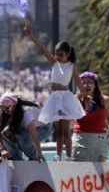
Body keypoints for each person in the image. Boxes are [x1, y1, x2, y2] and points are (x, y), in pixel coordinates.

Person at [25, 25, 85, 161]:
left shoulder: (71, 67)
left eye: (61, 54)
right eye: (56, 54)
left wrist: (85, 96)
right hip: (55, 99)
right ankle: (58, 155)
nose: (58, 57)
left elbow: (79, 84)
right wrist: (32, 37)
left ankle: (69, 156)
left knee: (66, 131)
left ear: (68, 54)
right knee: (58, 132)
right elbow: (43, 48)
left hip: (66, 98)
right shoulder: (54, 63)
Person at [72, 72, 109, 162]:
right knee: (80, 173)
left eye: (90, 82)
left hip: (100, 141)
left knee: (99, 174)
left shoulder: (105, 100)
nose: (87, 85)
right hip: (81, 140)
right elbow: (67, 118)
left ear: (95, 85)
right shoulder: (75, 100)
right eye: (83, 83)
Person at [0, 93, 52, 162]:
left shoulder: (26, 112)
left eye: (7, 108)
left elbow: (34, 134)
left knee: (21, 135)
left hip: (44, 128)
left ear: (15, 105)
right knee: (4, 133)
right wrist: (2, 150)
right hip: (26, 129)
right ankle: (16, 158)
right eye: (3, 109)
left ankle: (34, 157)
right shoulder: (5, 112)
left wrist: (39, 153)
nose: (6, 112)